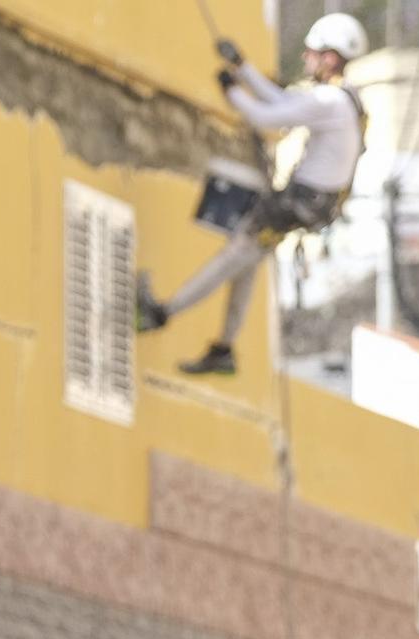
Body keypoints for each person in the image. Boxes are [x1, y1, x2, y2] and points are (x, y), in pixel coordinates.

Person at [136, 14, 370, 376]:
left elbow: (268, 117)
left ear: (331, 57)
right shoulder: (343, 100)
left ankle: (163, 312)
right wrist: (242, 68)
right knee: (246, 263)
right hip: (305, 206)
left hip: (293, 204)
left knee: (236, 254)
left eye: (312, 52)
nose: (306, 58)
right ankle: (224, 347)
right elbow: (282, 100)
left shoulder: (328, 101)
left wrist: (231, 91)